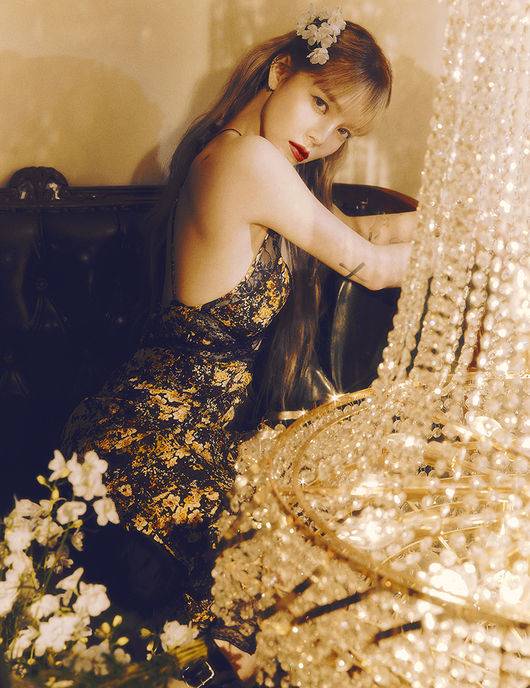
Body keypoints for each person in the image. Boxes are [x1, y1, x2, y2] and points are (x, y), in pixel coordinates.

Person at [59, 7, 416, 685]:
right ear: (281, 71)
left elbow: (368, 233)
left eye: (343, 128)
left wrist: (466, 224)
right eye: (320, 104)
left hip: (194, 438)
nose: (324, 136)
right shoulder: (246, 160)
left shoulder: (254, 160)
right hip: (153, 444)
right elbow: (369, 266)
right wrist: (480, 253)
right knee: (254, 631)